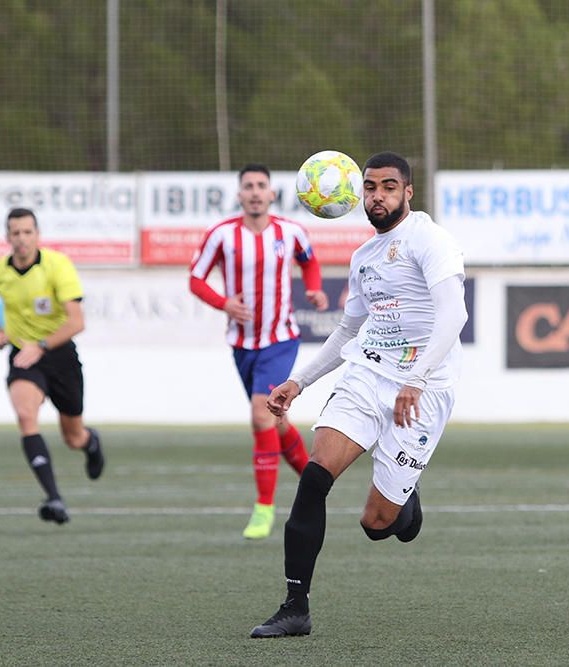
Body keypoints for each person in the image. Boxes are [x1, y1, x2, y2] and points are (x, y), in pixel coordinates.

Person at [250, 151, 468, 638]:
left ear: (408, 192)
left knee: (377, 523)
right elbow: (350, 328)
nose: (378, 196)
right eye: (370, 188)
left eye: (389, 187)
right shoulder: (364, 257)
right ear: (358, 193)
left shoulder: (430, 240)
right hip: (367, 376)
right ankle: (294, 607)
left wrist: (416, 378)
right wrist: (299, 381)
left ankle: (405, 503)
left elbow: (454, 316)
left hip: (424, 388)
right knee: (314, 476)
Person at [189, 163, 328, 540]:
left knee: (259, 415)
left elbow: (308, 261)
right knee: (274, 419)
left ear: (271, 194)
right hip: (241, 343)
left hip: (280, 339)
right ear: (240, 194)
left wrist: (313, 288)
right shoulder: (221, 235)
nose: (254, 191)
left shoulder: (290, 231)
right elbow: (196, 279)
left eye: (261, 186)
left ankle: (264, 509)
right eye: (248, 186)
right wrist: (224, 303)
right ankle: (313, 480)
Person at [0, 208, 104, 525]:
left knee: (72, 436)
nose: (21, 239)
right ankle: (54, 498)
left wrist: (43, 345)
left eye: (27, 232)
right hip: (23, 355)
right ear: (7, 237)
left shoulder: (56, 265)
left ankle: (91, 443)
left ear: (38, 235)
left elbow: (77, 322)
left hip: (59, 355)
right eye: (15, 233)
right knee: (25, 415)